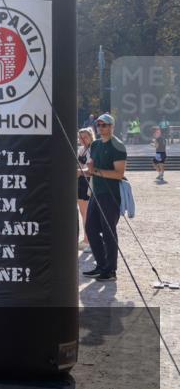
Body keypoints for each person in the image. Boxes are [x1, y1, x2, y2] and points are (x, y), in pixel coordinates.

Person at [83, 114, 127, 282]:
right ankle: (101, 265)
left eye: (104, 125)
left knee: (109, 232)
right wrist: (78, 172)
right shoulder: (95, 144)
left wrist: (95, 171)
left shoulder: (118, 146)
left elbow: (119, 174)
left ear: (112, 127)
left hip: (110, 195)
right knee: (90, 228)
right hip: (96, 193)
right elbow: (91, 168)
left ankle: (111, 270)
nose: (101, 128)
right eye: (99, 125)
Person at [76, 127, 95, 249]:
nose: (82, 139)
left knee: (87, 213)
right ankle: (86, 239)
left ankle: (88, 241)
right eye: (80, 137)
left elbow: (91, 170)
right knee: (83, 213)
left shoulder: (92, 150)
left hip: (87, 182)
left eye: (85, 137)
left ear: (91, 137)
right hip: (79, 182)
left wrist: (79, 171)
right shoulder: (80, 149)